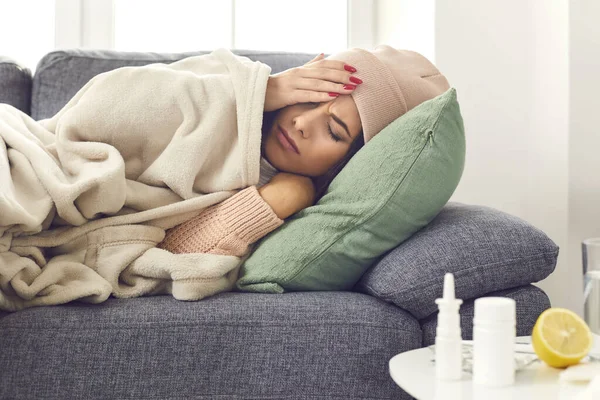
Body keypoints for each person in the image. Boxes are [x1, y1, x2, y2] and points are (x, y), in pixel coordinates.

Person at [157, 45, 450, 256]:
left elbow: (168, 258)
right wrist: (263, 91)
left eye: (334, 131)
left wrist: (269, 203)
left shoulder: (302, 216)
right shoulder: (224, 80)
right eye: (309, 99)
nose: (301, 122)